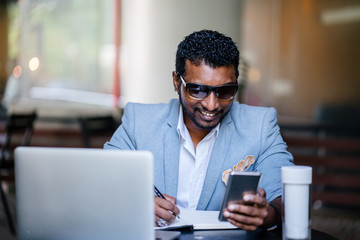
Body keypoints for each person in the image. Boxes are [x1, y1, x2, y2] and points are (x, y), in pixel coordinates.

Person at [104, 29, 293, 231]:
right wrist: (134, 205)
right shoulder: (139, 122)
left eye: (225, 91)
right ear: (177, 82)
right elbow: (101, 181)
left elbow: (288, 195)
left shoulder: (260, 126)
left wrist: (270, 214)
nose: (212, 105)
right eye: (197, 90)